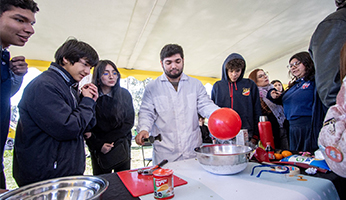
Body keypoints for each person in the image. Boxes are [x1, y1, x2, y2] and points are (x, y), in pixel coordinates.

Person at [13, 38, 99, 187]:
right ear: (65, 59)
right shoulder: (44, 86)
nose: (87, 72)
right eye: (85, 64)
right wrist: (87, 102)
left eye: (90, 67)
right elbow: (68, 128)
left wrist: (89, 100)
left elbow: (87, 126)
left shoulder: (70, 87)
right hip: (46, 176)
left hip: (63, 172)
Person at [135, 44, 219, 165]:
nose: (174, 66)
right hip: (165, 152)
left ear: (183, 60)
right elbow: (146, 112)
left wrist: (219, 114)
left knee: (196, 182)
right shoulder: (152, 88)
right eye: (168, 62)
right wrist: (144, 128)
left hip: (192, 149)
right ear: (161, 63)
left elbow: (206, 105)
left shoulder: (195, 85)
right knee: (166, 183)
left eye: (177, 61)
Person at [0, 0, 39, 189]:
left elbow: (4, 97)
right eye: (20, 20)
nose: (30, 29)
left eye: (31, 23)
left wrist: (15, 76)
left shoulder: (4, 56)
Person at [85, 60, 134, 175]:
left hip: (121, 145)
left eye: (114, 73)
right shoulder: (90, 95)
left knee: (123, 182)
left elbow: (128, 122)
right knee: (102, 181)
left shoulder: (124, 94)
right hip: (99, 147)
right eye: (106, 73)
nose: (111, 76)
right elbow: (86, 126)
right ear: (98, 77)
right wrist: (99, 144)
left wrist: (108, 140)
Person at [267, 52, 315, 152]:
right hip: (293, 127)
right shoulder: (295, 85)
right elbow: (281, 98)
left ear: (307, 63)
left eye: (297, 63)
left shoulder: (314, 81)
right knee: (296, 157)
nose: (293, 67)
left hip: (308, 126)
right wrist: (272, 94)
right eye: (291, 65)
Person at [211, 53, 261, 146]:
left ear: (242, 70)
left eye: (237, 71)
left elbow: (257, 110)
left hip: (246, 132)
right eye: (231, 71)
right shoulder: (218, 86)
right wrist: (213, 135)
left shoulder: (250, 85)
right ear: (226, 70)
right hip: (222, 132)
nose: (234, 74)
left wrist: (256, 135)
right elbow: (212, 112)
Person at [249, 69, 288, 150]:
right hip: (269, 133)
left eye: (265, 74)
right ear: (255, 81)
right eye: (260, 76)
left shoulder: (274, 91)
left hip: (284, 127)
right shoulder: (255, 96)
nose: (265, 77)